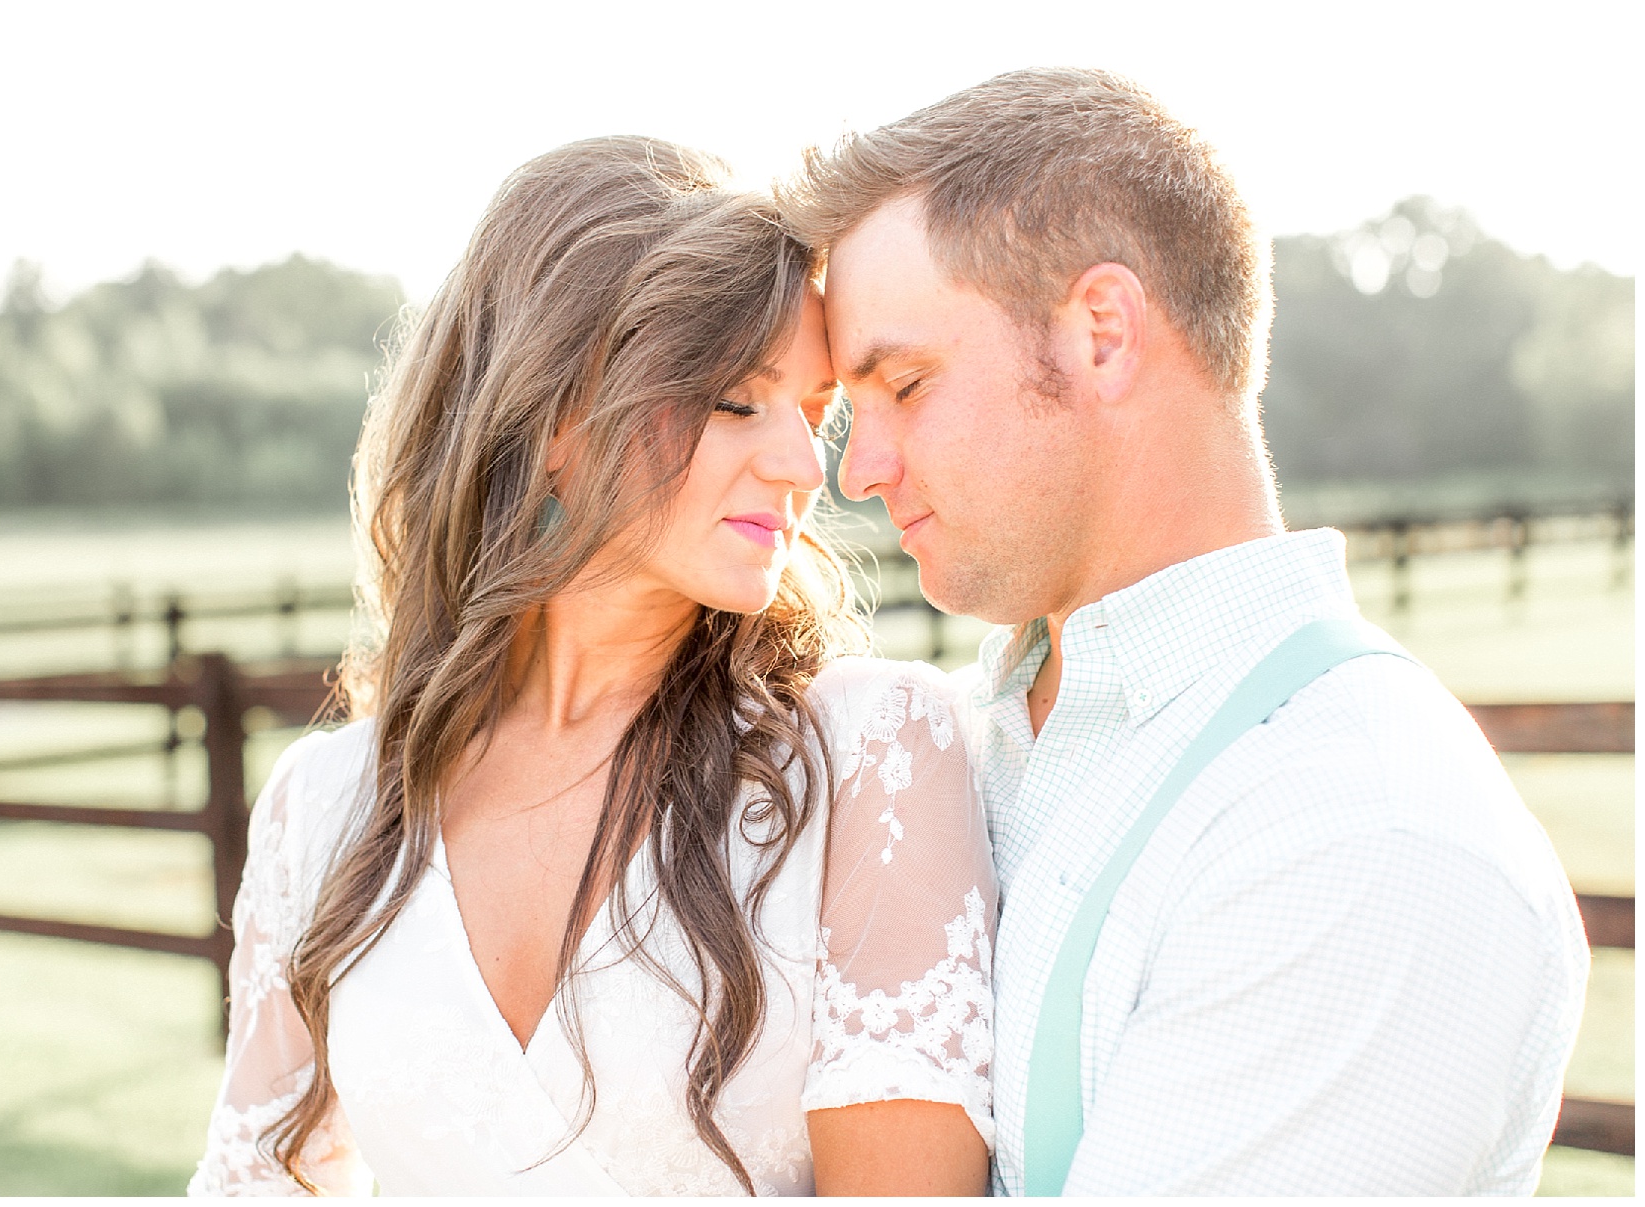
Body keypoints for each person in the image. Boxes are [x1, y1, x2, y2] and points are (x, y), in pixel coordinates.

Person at [780, 68, 1588, 1196]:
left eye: (905, 384)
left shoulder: (1364, 834)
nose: (856, 472)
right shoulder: (957, 738)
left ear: (1101, 334)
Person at [187, 136, 996, 1196]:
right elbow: (254, 1184)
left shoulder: (870, 756)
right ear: (556, 418)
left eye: (810, 412)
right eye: (736, 401)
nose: (809, 467)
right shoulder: (327, 809)